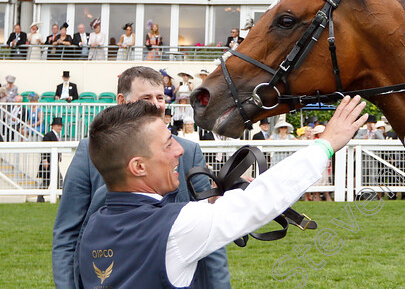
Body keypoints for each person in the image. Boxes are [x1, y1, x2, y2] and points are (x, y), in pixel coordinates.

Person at [78, 96, 364, 287]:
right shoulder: (176, 226)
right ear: (138, 166)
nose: (179, 150)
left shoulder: (93, 228)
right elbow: (258, 201)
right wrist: (325, 144)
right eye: (167, 144)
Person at [53, 66, 232, 289]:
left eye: (160, 97)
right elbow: (67, 234)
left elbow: (209, 233)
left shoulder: (188, 150)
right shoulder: (88, 151)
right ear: (121, 100)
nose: (156, 105)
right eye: (146, 98)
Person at [38, 117, 64, 202]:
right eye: (58, 126)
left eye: (60, 126)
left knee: (50, 180)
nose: (60, 128)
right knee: (52, 180)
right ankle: (60, 197)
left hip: (54, 161)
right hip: (49, 162)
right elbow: (44, 148)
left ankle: (41, 197)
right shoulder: (48, 135)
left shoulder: (55, 136)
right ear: (53, 126)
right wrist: (45, 160)